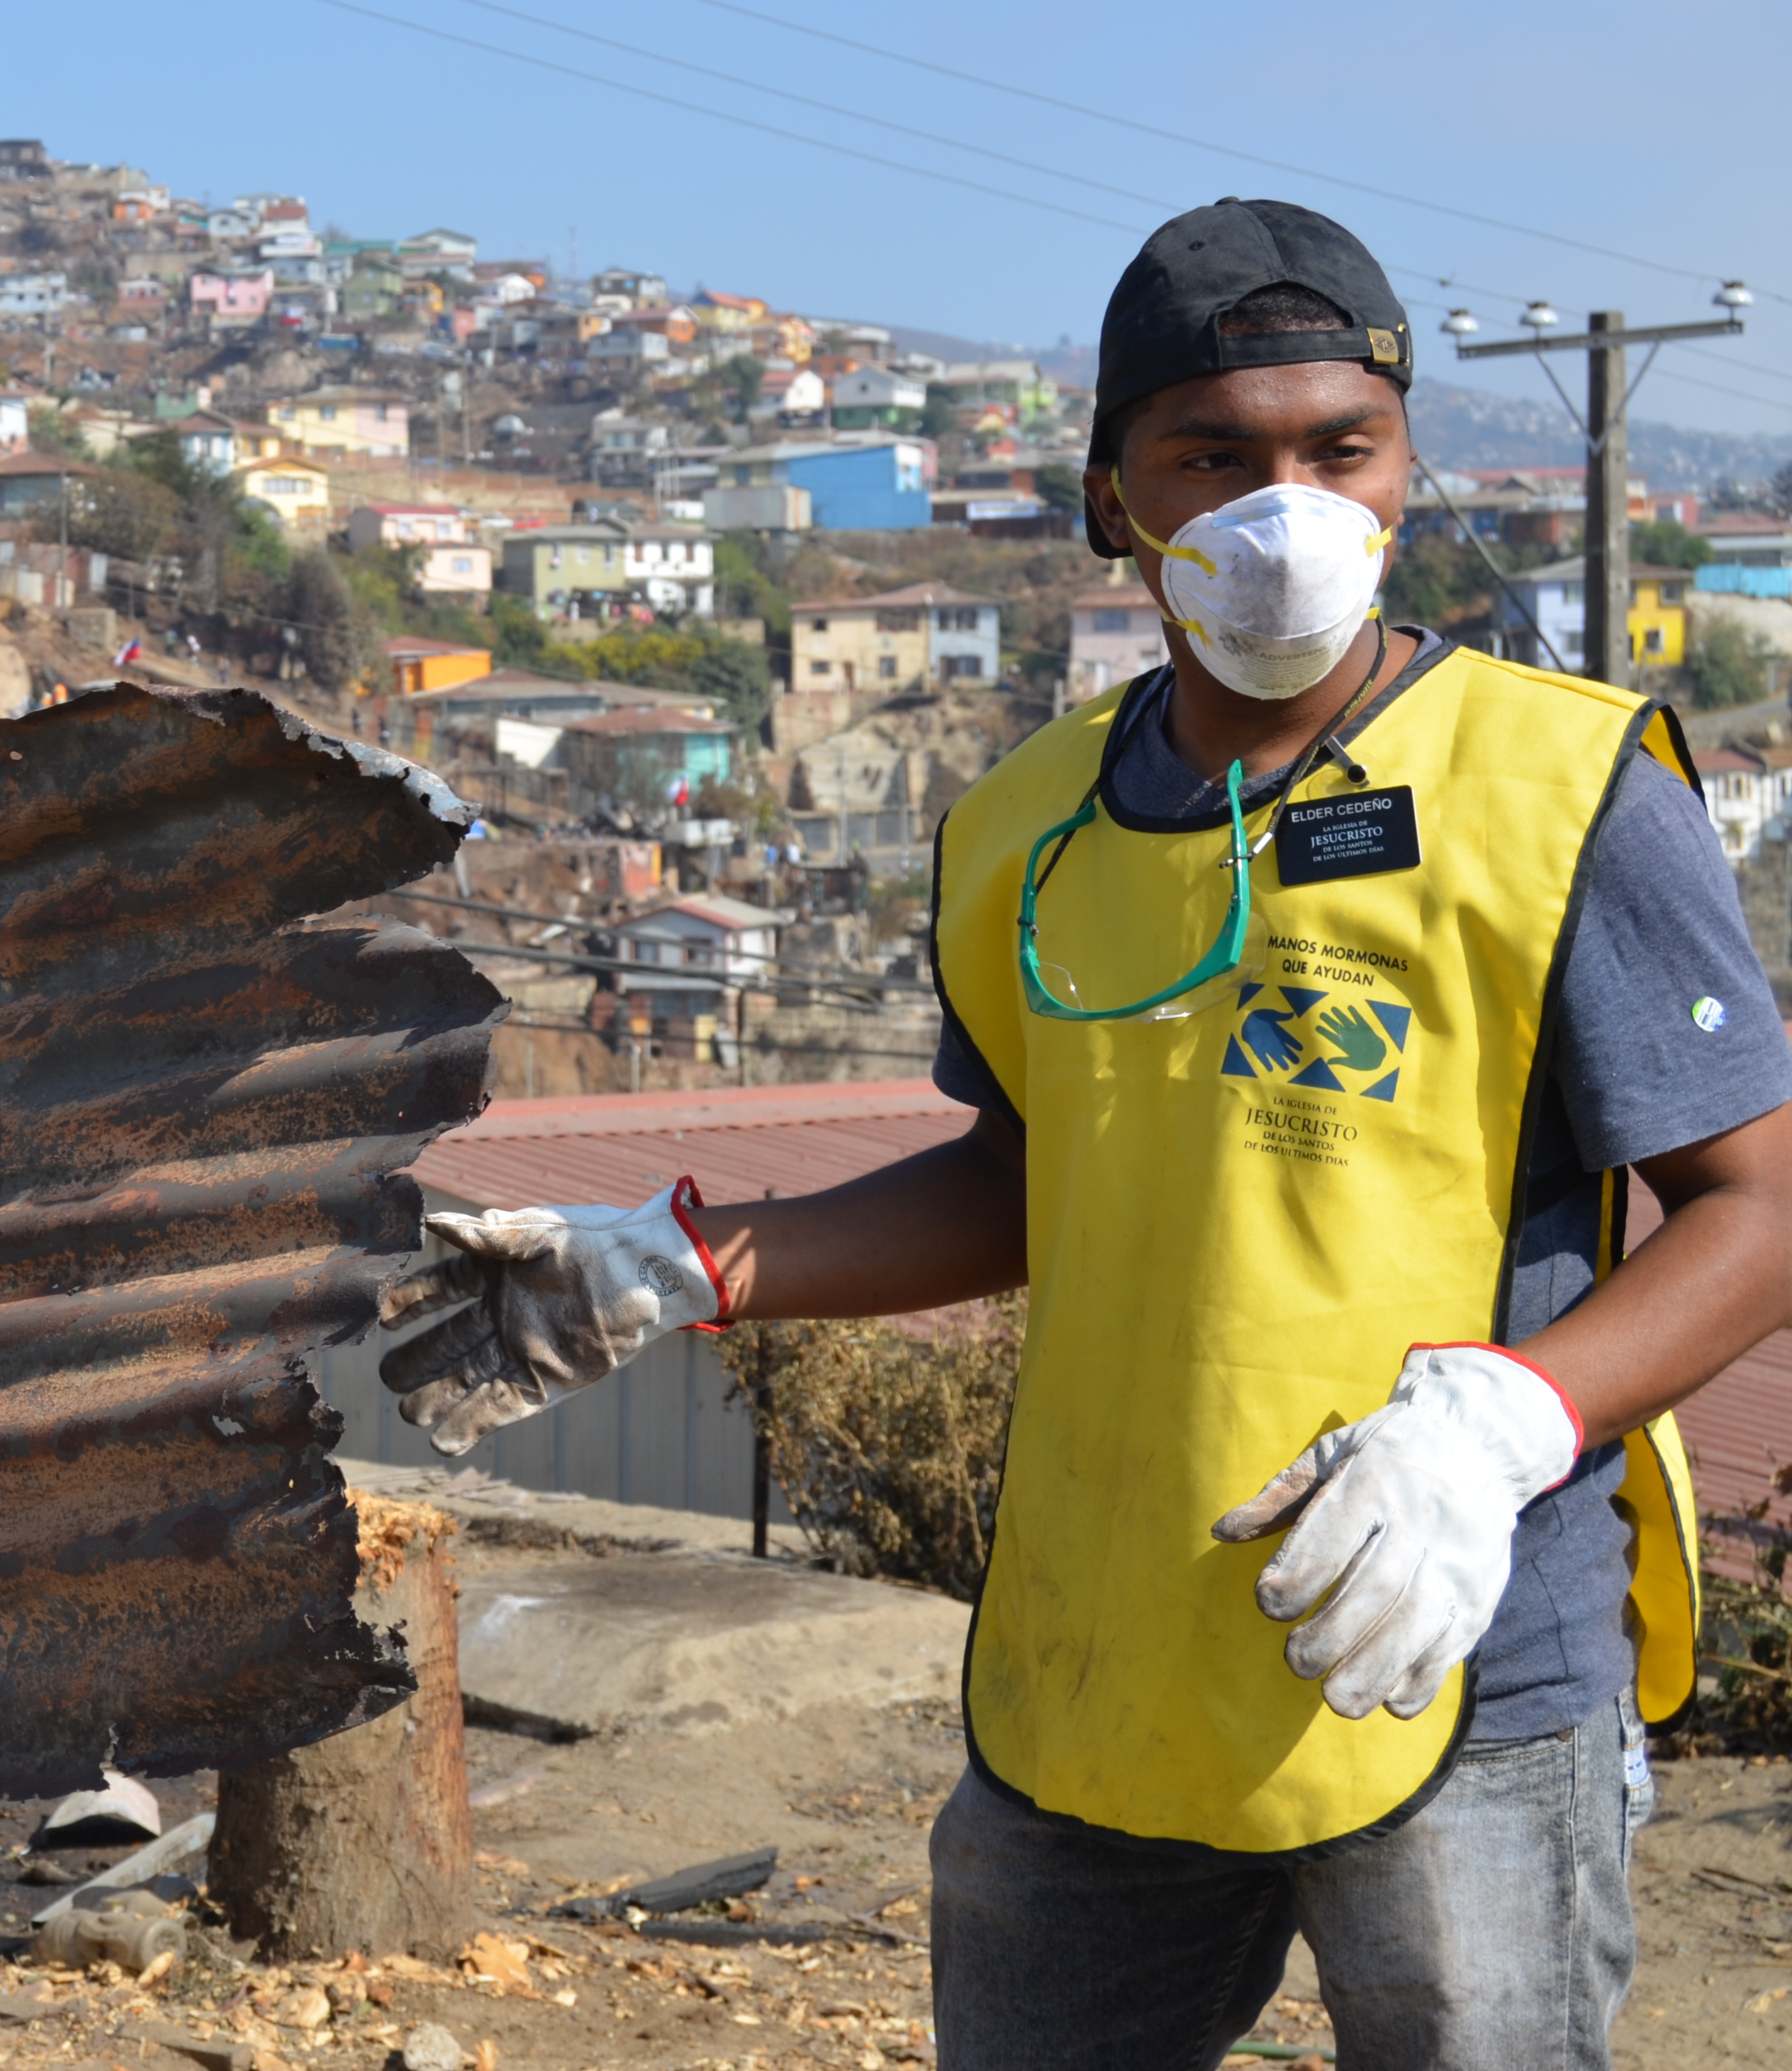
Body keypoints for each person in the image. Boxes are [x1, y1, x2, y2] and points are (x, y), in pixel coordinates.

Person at [379, 201, 1792, 2070]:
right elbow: (1028, 1177)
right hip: (1099, 1668)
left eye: (1336, 451)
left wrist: (1504, 1422)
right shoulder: (1024, 830)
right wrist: (687, 1259)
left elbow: (1756, 1206)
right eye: (1215, 454)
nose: (1283, 506)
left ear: (1403, 466)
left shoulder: (1564, 786)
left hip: (1458, 1644)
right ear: (1112, 496)